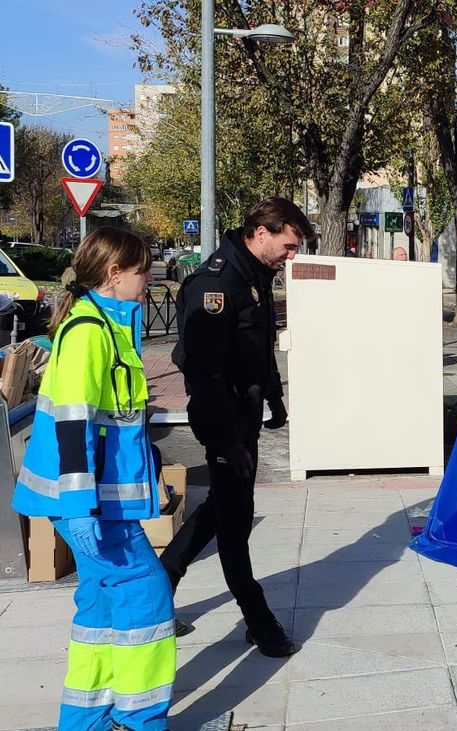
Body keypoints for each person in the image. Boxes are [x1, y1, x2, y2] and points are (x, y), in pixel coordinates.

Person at [11, 228, 175, 730]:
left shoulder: (105, 325)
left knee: (103, 608)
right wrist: (80, 507)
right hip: (88, 504)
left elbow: (115, 426)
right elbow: (74, 424)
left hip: (95, 502)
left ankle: (88, 720)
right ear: (114, 274)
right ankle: (139, 719)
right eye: (143, 270)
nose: (149, 280)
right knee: (146, 600)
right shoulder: (89, 332)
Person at [160, 197, 311, 657]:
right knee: (235, 518)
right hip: (221, 414)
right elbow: (202, 372)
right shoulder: (218, 283)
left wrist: (275, 398)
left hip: (244, 412)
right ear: (261, 232)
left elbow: (257, 350)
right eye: (288, 245)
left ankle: (161, 581)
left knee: (226, 503)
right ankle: (259, 620)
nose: (292, 255)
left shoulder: (255, 277)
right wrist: (227, 438)